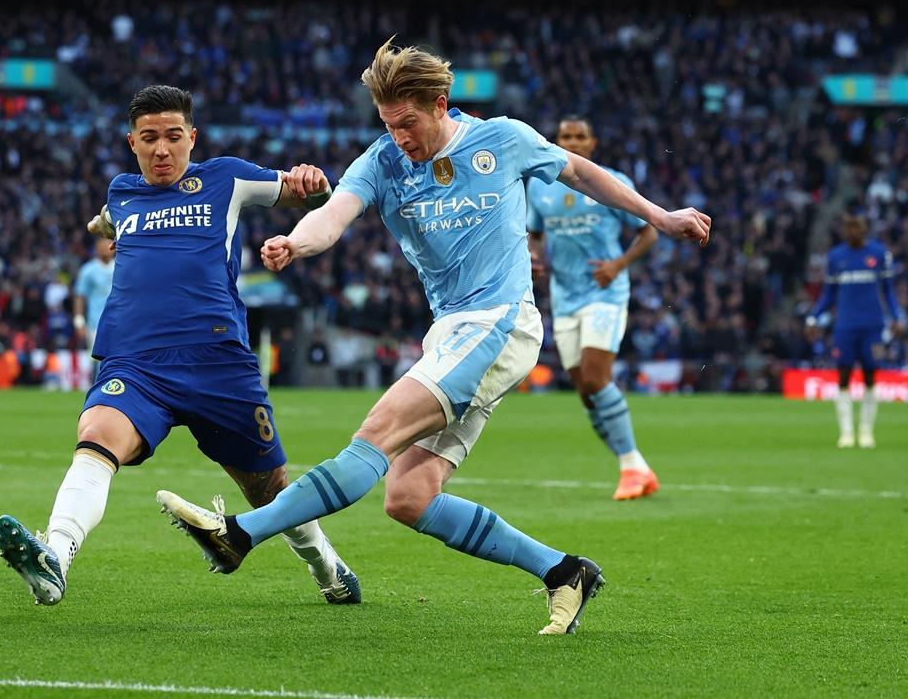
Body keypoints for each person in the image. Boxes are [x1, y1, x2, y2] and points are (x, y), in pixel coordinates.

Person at [157, 39, 711, 635]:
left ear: (441, 104)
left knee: (376, 433)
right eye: (388, 124)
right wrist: (297, 240)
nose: (398, 136)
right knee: (410, 496)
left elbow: (580, 172)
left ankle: (238, 535)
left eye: (408, 123)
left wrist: (660, 216)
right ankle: (563, 572)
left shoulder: (501, 138)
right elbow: (334, 214)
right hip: (451, 331)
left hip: (500, 322)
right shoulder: (382, 160)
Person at [0, 85, 361, 607]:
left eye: (172, 137)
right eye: (149, 139)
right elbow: (105, 218)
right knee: (96, 437)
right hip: (135, 360)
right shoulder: (122, 192)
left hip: (218, 363)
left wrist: (313, 184)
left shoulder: (226, 178)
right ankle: (55, 556)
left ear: (192, 137)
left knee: (269, 489)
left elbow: (309, 195)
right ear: (132, 142)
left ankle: (326, 565)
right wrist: (101, 223)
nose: (161, 149)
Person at [527, 115, 660, 500]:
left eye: (579, 136)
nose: (572, 141)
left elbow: (647, 230)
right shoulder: (541, 186)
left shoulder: (611, 182)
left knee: (596, 376)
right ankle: (636, 466)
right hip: (565, 295)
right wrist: (535, 257)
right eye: (565, 135)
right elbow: (535, 234)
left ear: (592, 143)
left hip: (606, 292)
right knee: (585, 390)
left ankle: (632, 465)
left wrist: (617, 265)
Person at [806, 213, 903, 448]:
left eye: (857, 227)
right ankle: (847, 433)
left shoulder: (879, 254)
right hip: (845, 326)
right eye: (849, 228)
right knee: (843, 376)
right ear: (844, 231)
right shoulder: (836, 257)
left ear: (865, 229)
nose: (853, 232)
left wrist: (898, 317)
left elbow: (888, 292)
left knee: (871, 376)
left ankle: (867, 431)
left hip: (873, 326)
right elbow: (827, 295)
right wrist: (813, 318)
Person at [73, 237, 116, 387]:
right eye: (101, 244)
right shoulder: (88, 270)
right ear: (96, 248)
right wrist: (79, 320)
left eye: (108, 243)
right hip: (96, 322)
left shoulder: (121, 267)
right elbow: (80, 296)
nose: (106, 247)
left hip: (119, 321)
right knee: (98, 360)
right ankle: (99, 390)